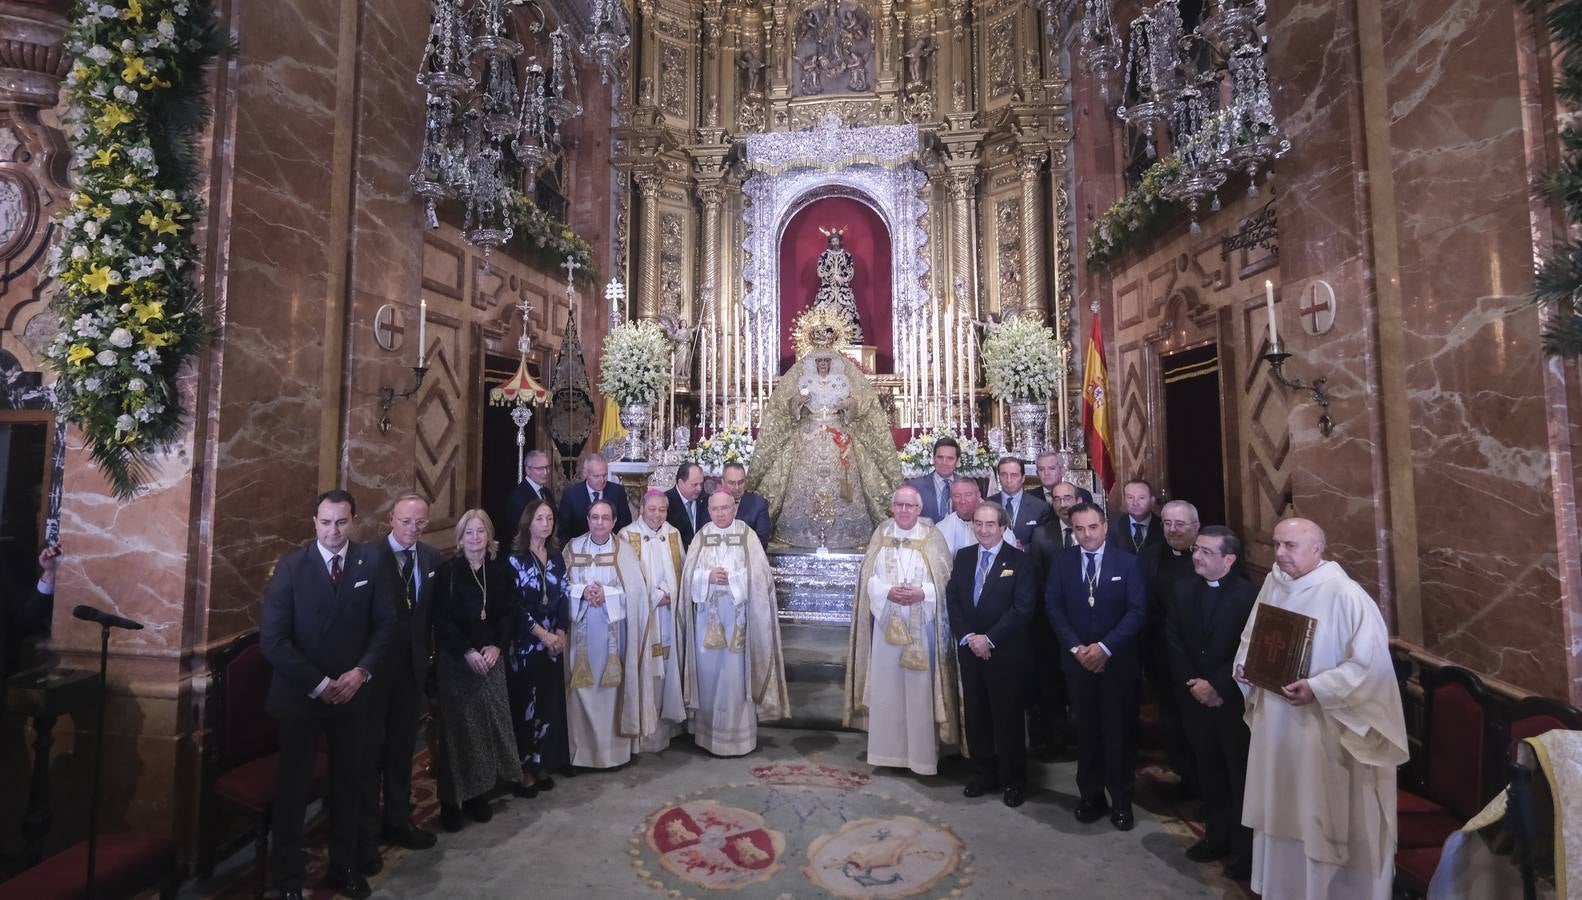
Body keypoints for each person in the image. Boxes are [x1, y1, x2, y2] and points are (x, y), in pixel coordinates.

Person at [1234, 518, 1407, 900]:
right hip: (1276, 728)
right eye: (1276, 544)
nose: (1279, 554)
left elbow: (1370, 668)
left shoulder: (1346, 595)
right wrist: (1245, 666)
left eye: (1290, 546)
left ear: (1318, 549)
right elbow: (1252, 637)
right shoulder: (1273, 585)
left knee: (1320, 820)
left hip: (1323, 733)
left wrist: (1317, 687)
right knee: (1281, 811)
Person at [261, 489, 396, 900]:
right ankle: (287, 881)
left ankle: (344, 866)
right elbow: (273, 641)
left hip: (353, 693)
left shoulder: (370, 561)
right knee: (294, 791)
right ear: (314, 523)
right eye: (325, 522)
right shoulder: (291, 568)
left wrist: (361, 672)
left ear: (353, 520)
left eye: (341, 522)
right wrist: (320, 684)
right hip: (302, 695)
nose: (333, 530)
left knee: (350, 784)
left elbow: (386, 625)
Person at [747, 304, 899, 551]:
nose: (824, 365)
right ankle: (801, 531)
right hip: (809, 435)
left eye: (827, 361)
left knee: (845, 482)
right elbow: (785, 405)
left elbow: (863, 402)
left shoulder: (844, 378)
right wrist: (799, 401)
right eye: (820, 361)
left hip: (839, 436)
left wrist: (849, 404)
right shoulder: (802, 377)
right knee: (803, 482)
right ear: (814, 361)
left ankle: (845, 531)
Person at [843, 485, 960, 776]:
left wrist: (924, 593)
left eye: (910, 506)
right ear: (892, 507)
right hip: (887, 629)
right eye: (899, 505)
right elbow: (868, 578)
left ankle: (921, 757)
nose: (904, 511)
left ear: (919, 509)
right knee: (888, 691)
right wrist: (887, 591)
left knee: (920, 692)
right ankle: (888, 754)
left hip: (923, 628)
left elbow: (946, 579)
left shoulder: (933, 537)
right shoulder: (881, 534)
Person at [1044, 501, 1146, 831]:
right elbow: (1054, 609)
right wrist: (1078, 649)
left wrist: (1103, 648)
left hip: (1117, 664)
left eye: (1092, 527)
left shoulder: (1127, 563)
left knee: (1118, 733)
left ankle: (1121, 800)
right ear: (1072, 531)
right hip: (1077, 664)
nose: (1087, 535)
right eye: (1079, 529)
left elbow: (1137, 611)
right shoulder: (1061, 563)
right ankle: (1090, 796)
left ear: (1104, 527)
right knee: (1086, 732)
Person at [1167, 526, 1256, 879]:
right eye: (1196, 550)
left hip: (1231, 700)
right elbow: (1173, 638)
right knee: (1208, 772)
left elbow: (1246, 649)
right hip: (1195, 697)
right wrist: (1194, 683)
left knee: (1238, 776)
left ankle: (1243, 850)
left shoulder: (1249, 596)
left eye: (1206, 552)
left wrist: (1216, 685)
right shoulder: (1182, 588)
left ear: (1229, 560)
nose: (1197, 557)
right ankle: (1215, 837)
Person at [431, 509, 527, 831]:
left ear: (489, 537)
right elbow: (441, 620)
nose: (475, 539)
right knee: (458, 732)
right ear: (460, 538)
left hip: (490, 660)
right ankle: (450, 801)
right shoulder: (449, 573)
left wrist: (497, 646)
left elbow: (510, 614)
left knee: (485, 728)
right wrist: (467, 651)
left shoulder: (498, 572)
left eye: (480, 532)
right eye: (469, 533)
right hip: (458, 663)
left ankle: (477, 795)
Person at [678, 490, 789, 755]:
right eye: (715, 509)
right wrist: (706, 577)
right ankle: (708, 736)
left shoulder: (747, 536)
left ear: (735, 508)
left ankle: (738, 739)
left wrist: (733, 579)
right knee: (709, 677)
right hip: (707, 622)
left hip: (739, 622)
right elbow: (687, 578)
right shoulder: (701, 537)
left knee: (735, 678)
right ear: (709, 511)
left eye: (725, 508)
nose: (720, 514)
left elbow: (762, 579)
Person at [361, 495, 440, 862]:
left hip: (411, 672)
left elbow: (427, 618)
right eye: (406, 521)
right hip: (375, 673)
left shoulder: (430, 558)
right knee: (369, 752)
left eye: (420, 523)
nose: (413, 529)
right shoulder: (368, 558)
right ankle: (365, 830)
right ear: (391, 519)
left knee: (401, 748)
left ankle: (397, 818)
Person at [945, 501, 1036, 807]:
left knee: (1007, 718)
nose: (983, 530)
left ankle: (1013, 780)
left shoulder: (1020, 561)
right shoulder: (965, 556)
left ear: (1003, 527)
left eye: (990, 525)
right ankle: (983, 773)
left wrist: (990, 639)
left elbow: (1022, 608)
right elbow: (954, 598)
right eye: (978, 524)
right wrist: (970, 637)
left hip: (1005, 653)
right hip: (971, 651)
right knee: (976, 715)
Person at [562, 499, 637, 768]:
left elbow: (636, 593)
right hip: (580, 635)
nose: (599, 523)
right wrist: (582, 592)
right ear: (588, 519)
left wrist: (606, 593)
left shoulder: (624, 551)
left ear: (614, 521)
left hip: (613, 636)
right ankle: (581, 753)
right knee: (580, 690)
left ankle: (612, 754)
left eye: (605, 518)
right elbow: (562, 586)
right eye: (594, 517)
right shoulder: (572, 548)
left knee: (610, 693)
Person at [1138, 499, 1202, 796]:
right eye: (1167, 523)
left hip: (1197, 659)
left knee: (1196, 724)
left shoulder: (1209, 556)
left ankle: (1203, 783)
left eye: (1180, 524)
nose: (1173, 530)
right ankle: (1182, 772)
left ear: (1195, 527)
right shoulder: (1149, 556)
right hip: (1161, 655)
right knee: (1171, 719)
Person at [505, 497, 571, 790]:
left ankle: (542, 761)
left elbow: (564, 595)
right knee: (526, 704)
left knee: (548, 701)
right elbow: (515, 606)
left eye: (549, 519)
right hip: (527, 643)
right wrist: (542, 635)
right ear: (528, 522)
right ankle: (523, 767)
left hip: (554, 643)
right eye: (539, 519)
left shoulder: (556, 556)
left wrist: (561, 633)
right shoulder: (514, 560)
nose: (545, 524)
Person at [617, 490, 688, 752]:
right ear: (642, 508)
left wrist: (674, 592)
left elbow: (682, 570)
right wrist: (658, 596)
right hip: (645, 617)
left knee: (669, 668)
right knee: (647, 668)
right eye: (652, 509)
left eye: (662, 510)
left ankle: (667, 730)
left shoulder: (673, 534)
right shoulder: (627, 536)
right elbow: (628, 580)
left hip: (669, 617)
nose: (657, 514)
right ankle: (645, 734)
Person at [557, 454, 633, 544]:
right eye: (596, 476)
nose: (601, 480)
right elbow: (563, 532)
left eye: (604, 475)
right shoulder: (571, 495)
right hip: (580, 551)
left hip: (612, 549)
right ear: (586, 474)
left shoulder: (617, 492)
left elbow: (625, 526)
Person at [813, 226, 863, 342]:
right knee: (822, 312)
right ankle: (822, 338)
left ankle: (850, 338)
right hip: (827, 290)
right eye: (832, 241)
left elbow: (850, 270)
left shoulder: (847, 255)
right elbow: (820, 271)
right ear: (830, 242)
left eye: (836, 241)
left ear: (840, 241)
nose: (835, 243)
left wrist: (842, 278)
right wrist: (832, 275)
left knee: (849, 312)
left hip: (843, 290)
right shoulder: (824, 255)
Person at [986, 456, 1048, 549]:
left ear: (1023, 478)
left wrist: (1023, 549)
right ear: (998, 477)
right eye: (1003, 475)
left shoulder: (1040, 507)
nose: (1008, 480)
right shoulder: (987, 504)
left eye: (1014, 475)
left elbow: (1043, 543)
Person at [903, 436, 960, 524]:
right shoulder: (915, 487)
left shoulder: (966, 485)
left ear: (957, 461)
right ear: (933, 459)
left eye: (950, 458)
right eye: (940, 457)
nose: (944, 463)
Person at [505, 449, 555, 544]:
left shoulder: (547, 493)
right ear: (528, 470)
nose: (545, 472)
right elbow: (517, 530)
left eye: (547, 467)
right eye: (540, 468)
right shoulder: (518, 496)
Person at [720, 462, 773, 549]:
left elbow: (762, 542)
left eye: (741, 482)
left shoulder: (759, 504)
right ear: (722, 482)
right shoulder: (711, 502)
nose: (737, 487)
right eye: (732, 483)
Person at [1107, 479, 1163, 554]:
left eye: (1141, 498)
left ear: (1152, 500)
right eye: (1130, 497)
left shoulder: (1163, 527)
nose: (1135, 503)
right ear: (1124, 500)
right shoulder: (1113, 528)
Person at [1025, 451, 1092, 510]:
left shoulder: (1082, 494)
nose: (1046, 473)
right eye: (1041, 469)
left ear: (1062, 471)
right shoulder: (1027, 497)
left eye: (1052, 468)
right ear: (1037, 474)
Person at [665, 462, 707, 548]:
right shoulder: (666, 502)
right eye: (694, 485)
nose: (699, 489)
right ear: (680, 482)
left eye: (701, 484)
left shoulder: (706, 499)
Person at [936, 478, 981, 553]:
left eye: (968, 495)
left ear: (978, 495)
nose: (963, 501)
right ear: (951, 498)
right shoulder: (940, 528)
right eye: (957, 495)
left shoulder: (992, 522)